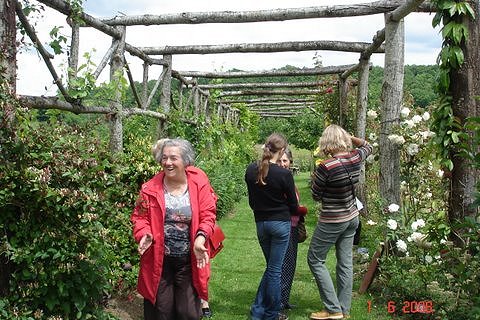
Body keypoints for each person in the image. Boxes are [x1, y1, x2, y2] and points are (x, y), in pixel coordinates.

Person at [131, 138, 217, 320]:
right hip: (159, 262)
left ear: (185, 161)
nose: (168, 162)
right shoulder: (149, 189)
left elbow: (208, 214)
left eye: (173, 158)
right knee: (161, 313)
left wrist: (201, 238)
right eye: (164, 158)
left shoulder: (199, 183)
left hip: (189, 261)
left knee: (189, 314)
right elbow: (139, 218)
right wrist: (144, 233)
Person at [307, 124, 373, 320]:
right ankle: (344, 310)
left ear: (326, 142)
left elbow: (316, 195)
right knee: (345, 263)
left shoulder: (325, 167)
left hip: (333, 219)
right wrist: (352, 139)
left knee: (315, 259)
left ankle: (332, 308)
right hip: (352, 217)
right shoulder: (355, 157)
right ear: (344, 140)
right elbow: (368, 146)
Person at [245, 133, 299, 320]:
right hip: (280, 225)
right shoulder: (284, 174)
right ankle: (271, 313)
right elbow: (293, 205)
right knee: (275, 271)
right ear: (282, 150)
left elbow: (252, 202)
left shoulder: (251, 170)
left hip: (261, 223)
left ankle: (258, 310)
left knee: (271, 268)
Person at [277, 148, 308, 311]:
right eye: (280, 161)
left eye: (285, 161)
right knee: (284, 265)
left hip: (293, 226)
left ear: (290, 162)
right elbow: (287, 205)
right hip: (285, 226)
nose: (282, 164)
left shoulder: (289, 179)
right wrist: (302, 210)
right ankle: (279, 301)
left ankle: (285, 298)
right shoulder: (278, 179)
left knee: (290, 264)